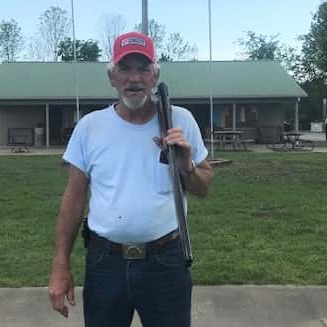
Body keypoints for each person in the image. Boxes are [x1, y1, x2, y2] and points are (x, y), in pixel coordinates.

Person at [48, 31, 214, 327]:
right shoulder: (90, 127)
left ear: (155, 76)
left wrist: (186, 165)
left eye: (143, 68)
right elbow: (73, 201)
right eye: (125, 68)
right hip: (105, 264)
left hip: (166, 261)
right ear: (112, 77)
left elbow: (204, 187)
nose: (134, 78)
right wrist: (60, 265)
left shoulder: (180, 120)